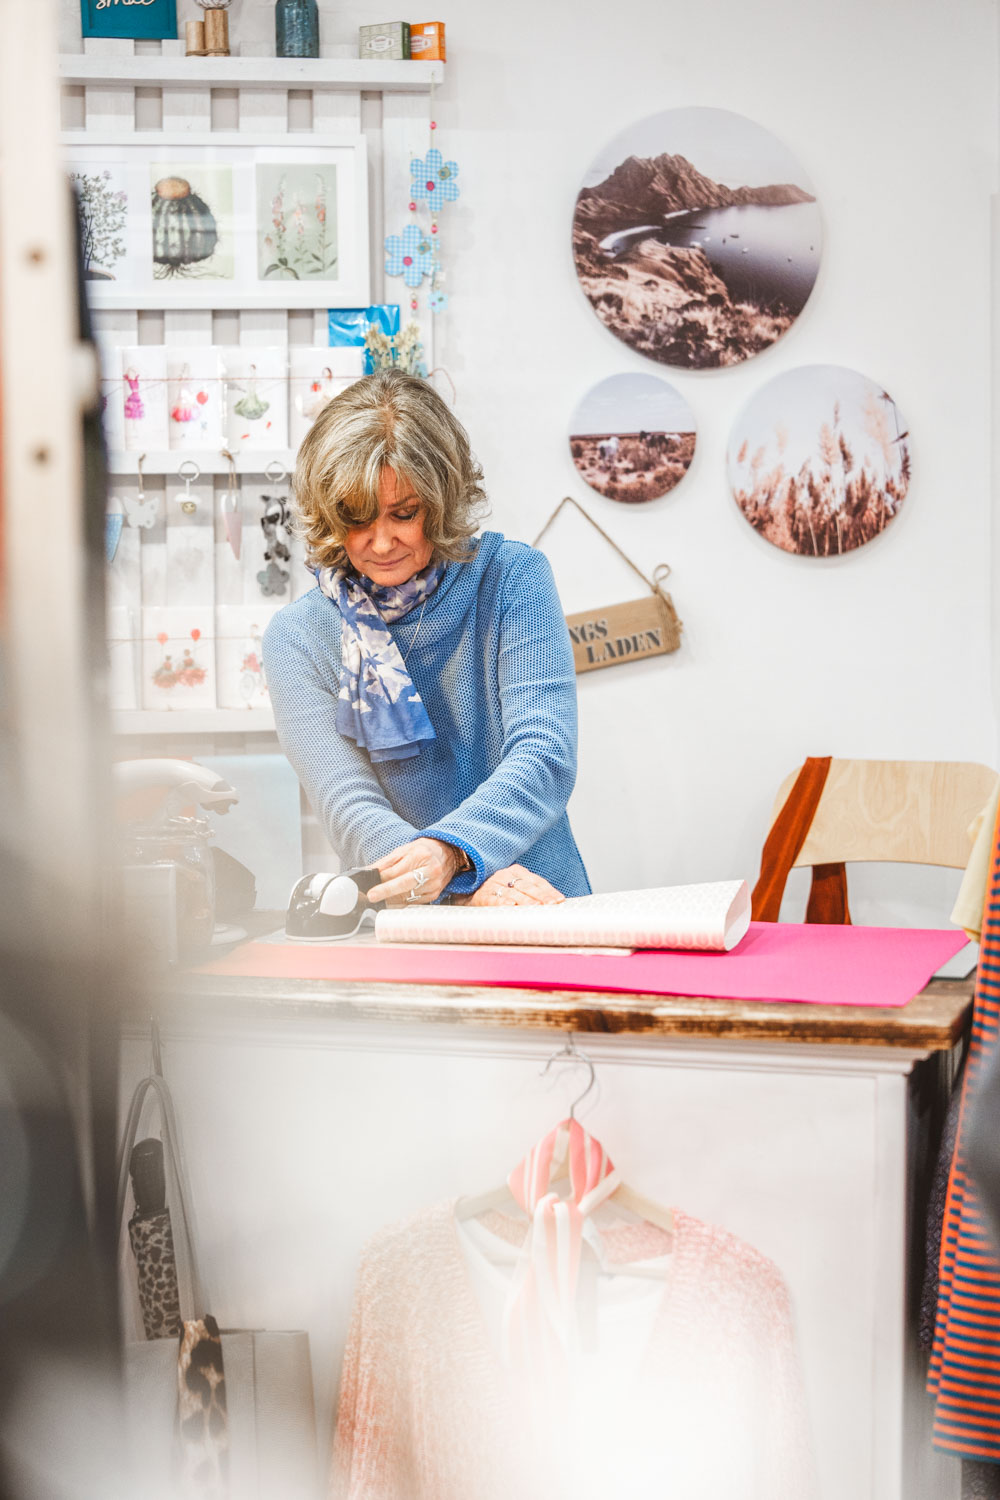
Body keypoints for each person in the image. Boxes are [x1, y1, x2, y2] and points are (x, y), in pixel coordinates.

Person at [262, 369, 590, 909]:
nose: (381, 542)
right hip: (407, 913)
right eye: (356, 518)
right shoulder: (298, 638)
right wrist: (460, 891)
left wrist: (453, 854)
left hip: (537, 901)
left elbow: (545, 755)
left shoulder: (512, 579)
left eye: (404, 513)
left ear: (441, 501)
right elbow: (349, 805)